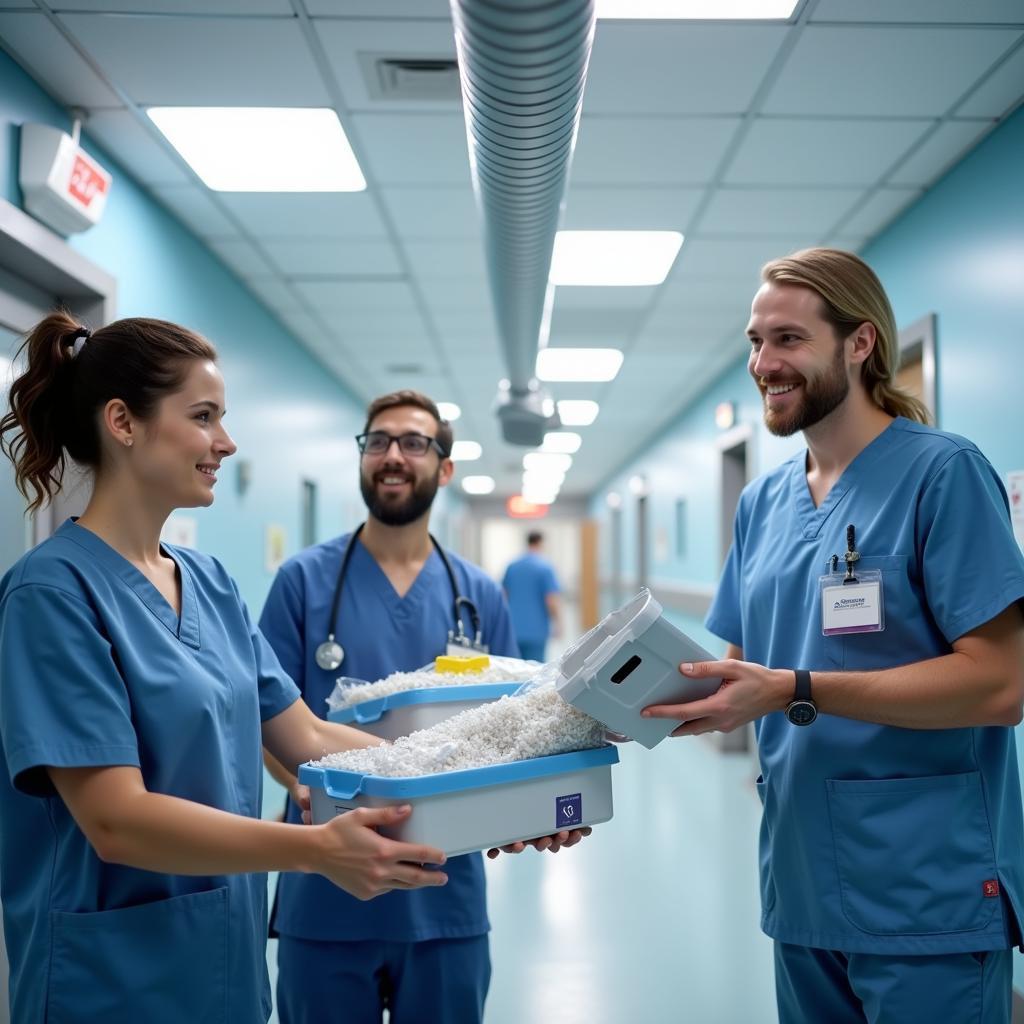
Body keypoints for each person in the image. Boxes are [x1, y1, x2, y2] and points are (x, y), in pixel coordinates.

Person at [0, 314, 450, 1024]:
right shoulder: (51, 595)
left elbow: (306, 736)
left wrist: (484, 782)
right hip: (115, 984)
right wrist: (312, 851)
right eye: (204, 416)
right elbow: (115, 820)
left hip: (226, 971)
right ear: (123, 422)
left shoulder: (209, 582)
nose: (226, 442)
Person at [643, 249, 1024, 1023]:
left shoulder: (943, 474)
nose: (763, 363)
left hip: (924, 885)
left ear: (860, 344)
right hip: (802, 878)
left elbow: (1002, 684)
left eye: (788, 339)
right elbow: (744, 669)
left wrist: (797, 690)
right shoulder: (763, 502)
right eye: (755, 341)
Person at [259, 389, 587, 1024]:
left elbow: (515, 735)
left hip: (444, 897)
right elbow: (272, 728)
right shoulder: (301, 583)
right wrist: (316, 795)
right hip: (324, 891)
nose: (392, 456)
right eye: (377, 441)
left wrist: (532, 810)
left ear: (444, 467)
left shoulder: (479, 594)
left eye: (414, 443)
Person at [502, 530, 561, 662]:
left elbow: (504, 595)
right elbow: (551, 599)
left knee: (514, 668)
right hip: (536, 630)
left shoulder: (512, 566)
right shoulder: (545, 567)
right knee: (535, 671)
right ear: (540, 543)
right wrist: (558, 623)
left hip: (514, 628)